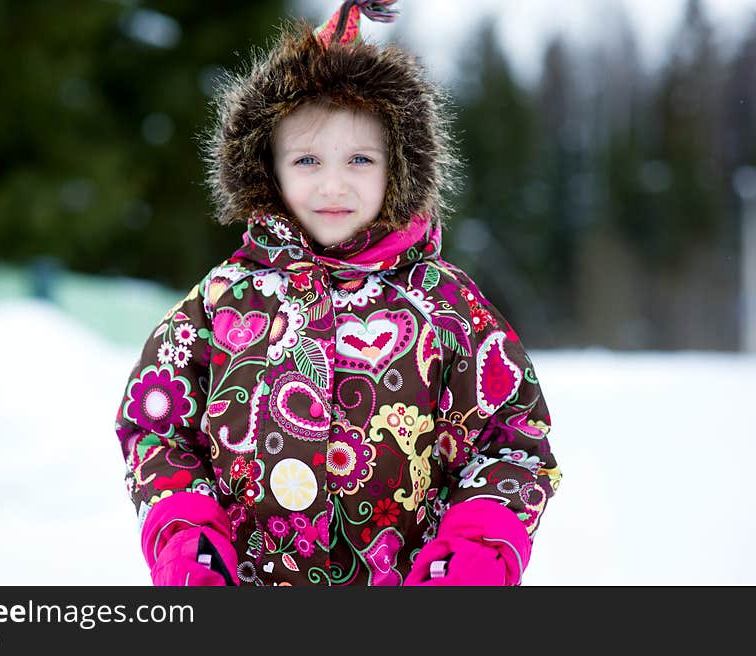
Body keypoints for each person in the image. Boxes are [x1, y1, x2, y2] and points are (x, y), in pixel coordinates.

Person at [113, 0, 562, 587]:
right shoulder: (221, 301)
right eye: (306, 159)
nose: (333, 183)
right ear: (267, 171)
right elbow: (157, 425)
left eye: (358, 159)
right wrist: (187, 533)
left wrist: (477, 544)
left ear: (397, 169)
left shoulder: (446, 306)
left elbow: (513, 439)